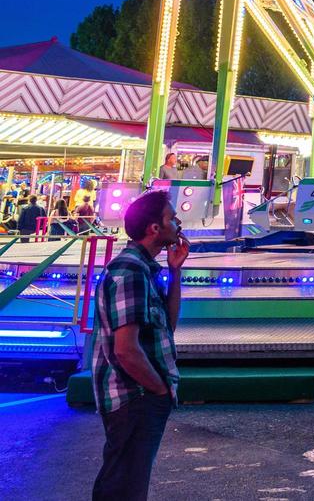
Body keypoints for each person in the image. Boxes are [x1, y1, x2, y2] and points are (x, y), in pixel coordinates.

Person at [91, 189, 189, 501]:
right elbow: (125, 348)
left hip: (142, 394)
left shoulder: (145, 269)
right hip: (135, 395)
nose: (178, 223)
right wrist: (158, 389)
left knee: (127, 477)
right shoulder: (130, 270)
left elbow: (166, 327)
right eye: (171, 218)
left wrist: (176, 273)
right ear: (154, 229)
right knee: (124, 483)